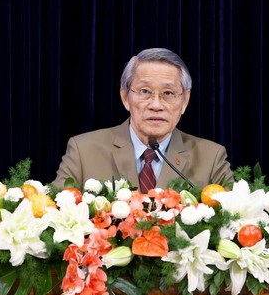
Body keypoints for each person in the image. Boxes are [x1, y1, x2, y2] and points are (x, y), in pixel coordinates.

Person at [54, 48, 233, 190]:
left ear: (185, 101)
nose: (156, 105)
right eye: (145, 91)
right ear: (125, 97)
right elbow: (53, 215)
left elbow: (235, 220)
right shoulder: (83, 151)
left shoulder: (211, 158)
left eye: (168, 93)